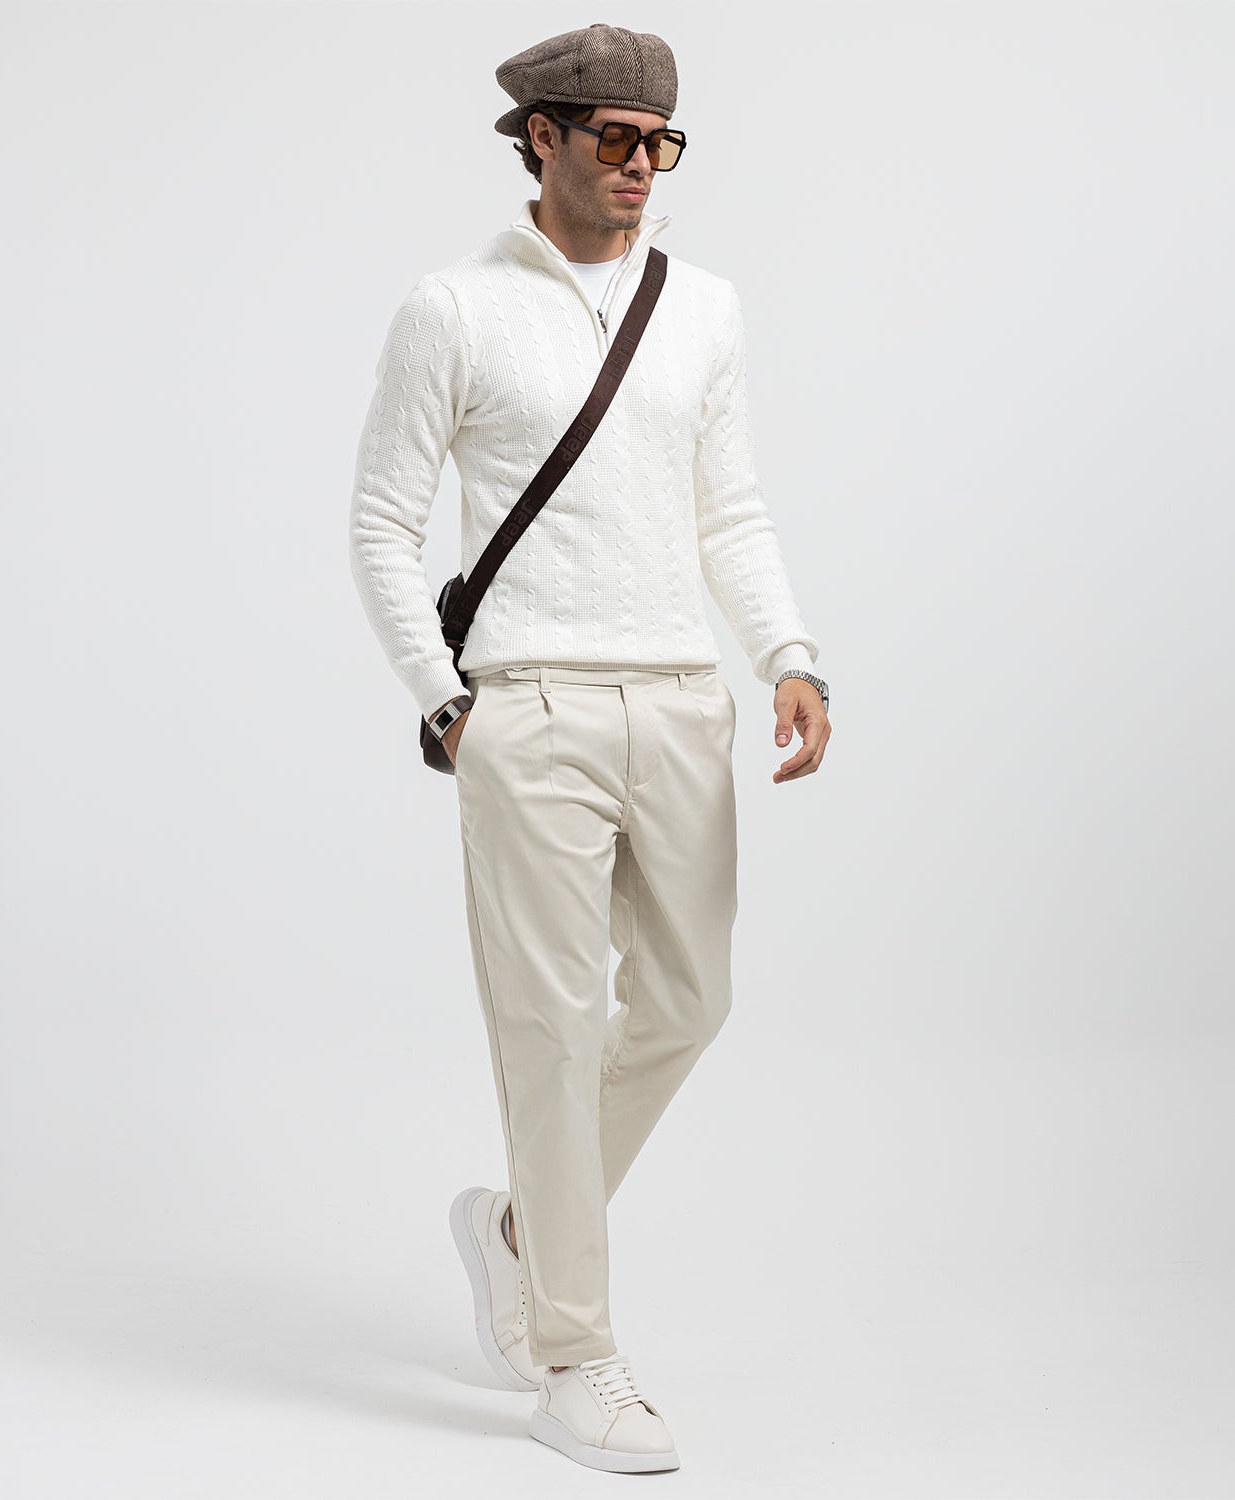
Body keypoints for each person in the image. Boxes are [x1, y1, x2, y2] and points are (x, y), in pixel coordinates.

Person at [348, 22, 830, 1474]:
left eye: (660, 143)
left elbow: (729, 508)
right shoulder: (453, 308)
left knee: (688, 1002)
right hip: (532, 708)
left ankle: (515, 1232)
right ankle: (575, 1354)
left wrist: (788, 653)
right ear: (541, 138)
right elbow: (382, 523)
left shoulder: (704, 307)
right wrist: (447, 700)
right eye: (614, 139)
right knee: (551, 1030)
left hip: (682, 699)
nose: (640, 168)